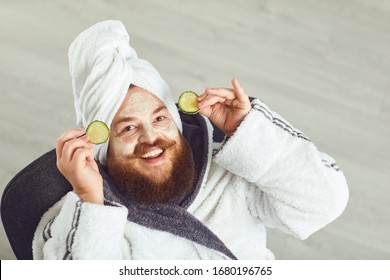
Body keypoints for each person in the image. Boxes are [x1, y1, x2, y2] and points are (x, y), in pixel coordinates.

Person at [32, 20, 349, 260]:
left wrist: (250, 133)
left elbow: (324, 202)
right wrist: (89, 198)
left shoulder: (228, 176)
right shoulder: (82, 213)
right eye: (128, 128)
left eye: (159, 118)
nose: (150, 138)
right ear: (102, 148)